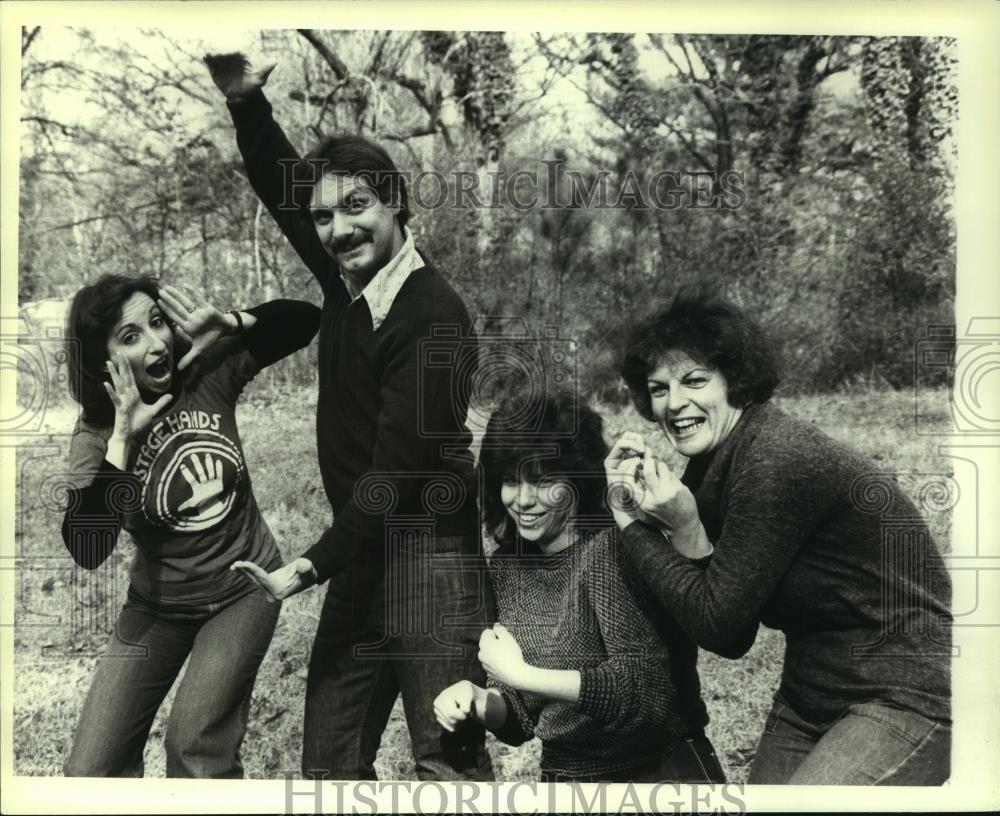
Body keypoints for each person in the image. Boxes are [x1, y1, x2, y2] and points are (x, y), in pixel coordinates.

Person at [203, 53, 494, 781]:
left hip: (431, 557)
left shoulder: (433, 316)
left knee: (446, 761)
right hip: (366, 552)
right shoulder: (347, 279)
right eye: (326, 216)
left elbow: (396, 476)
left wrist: (307, 567)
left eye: (356, 207)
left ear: (395, 203)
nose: (338, 229)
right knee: (331, 763)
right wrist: (246, 104)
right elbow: (283, 187)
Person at [604, 287, 952, 785]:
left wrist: (639, 524)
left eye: (695, 380)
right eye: (658, 388)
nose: (674, 403)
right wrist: (657, 514)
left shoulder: (774, 459)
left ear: (736, 381)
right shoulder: (712, 463)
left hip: (907, 693)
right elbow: (730, 628)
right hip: (812, 694)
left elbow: (719, 625)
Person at [61, 274, 320, 777]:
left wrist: (230, 321)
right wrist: (122, 442)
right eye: (130, 335)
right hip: (157, 606)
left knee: (194, 749)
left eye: (157, 322)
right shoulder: (95, 437)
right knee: (89, 771)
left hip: (244, 588)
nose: (157, 342)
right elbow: (87, 549)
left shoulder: (201, 372)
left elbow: (306, 319)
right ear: (101, 361)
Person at [433, 390, 726, 783]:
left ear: (576, 480)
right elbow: (520, 720)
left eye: (542, 481)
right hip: (564, 778)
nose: (522, 499)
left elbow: (643, 692)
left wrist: (522, 675)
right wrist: (478, 699)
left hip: (657, 773)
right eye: (509, 481)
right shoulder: (507, 566)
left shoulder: (613, 548)